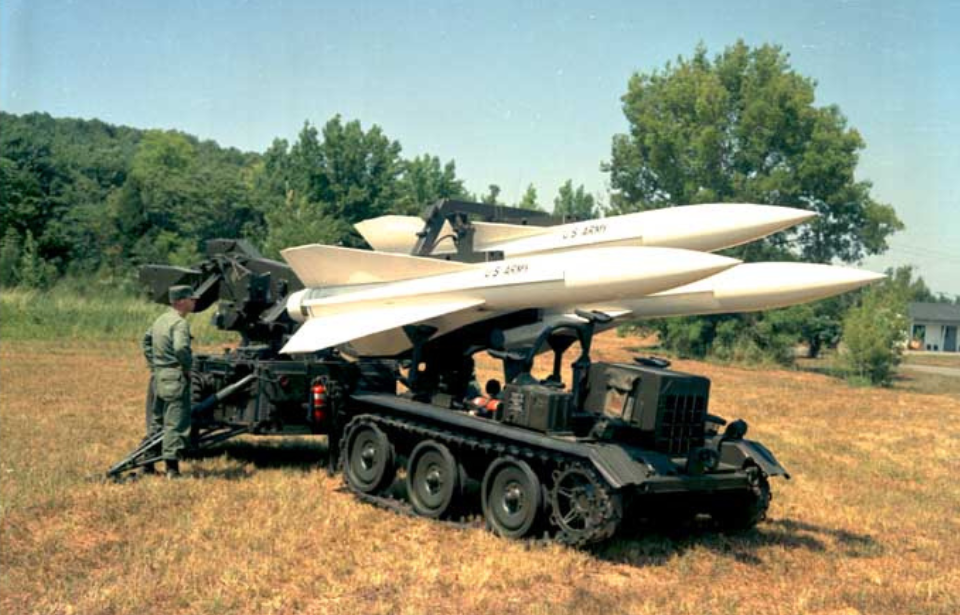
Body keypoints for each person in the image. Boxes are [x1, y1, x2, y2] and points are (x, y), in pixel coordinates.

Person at [141, 284, 198, 477]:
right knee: (175, 423)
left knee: (157, 422)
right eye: (191, 299)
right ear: (181, 302)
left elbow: (146, 341)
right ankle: (172, 470)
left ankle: (147, 464)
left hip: (159, 376)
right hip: (174, 377)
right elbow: (181, 348)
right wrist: (187, 367)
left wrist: (154, 364)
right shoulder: (179, 323)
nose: (194, 301)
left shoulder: (161, 320)